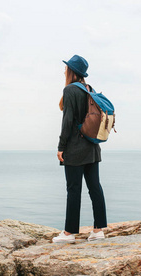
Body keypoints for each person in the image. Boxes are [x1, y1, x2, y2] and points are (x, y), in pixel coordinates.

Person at [52, 54, 108, 244]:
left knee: (73, 190)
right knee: (95, 188)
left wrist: (61, 146)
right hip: (92, 147)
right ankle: (98, 230)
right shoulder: (89, 89)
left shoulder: (69, 90)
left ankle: (69, 233)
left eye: (66, 67)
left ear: (71, 71)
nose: (64, 70)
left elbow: (67, 121)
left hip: (75, 149)